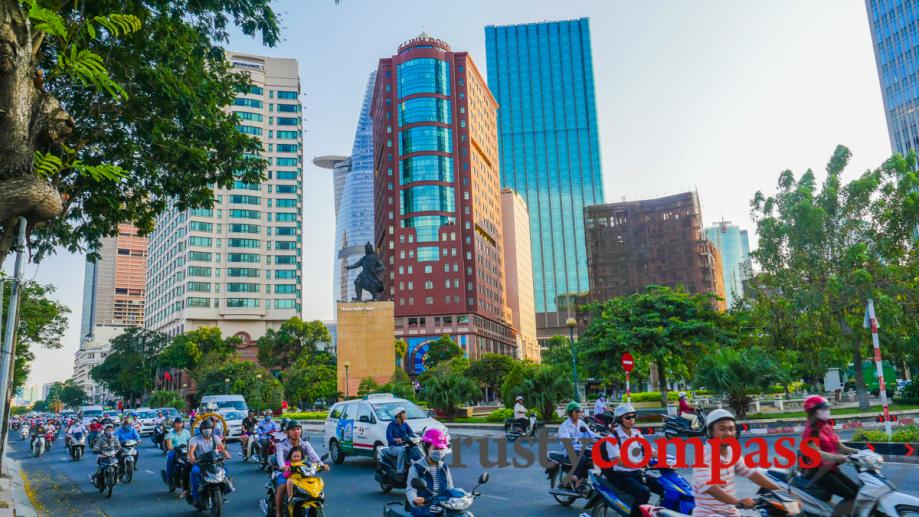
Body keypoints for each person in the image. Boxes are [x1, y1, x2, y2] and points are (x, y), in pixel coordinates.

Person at [692, 409, 782, 517]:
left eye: (731, 429)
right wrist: (738, 502)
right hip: (709, 513)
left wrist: (781, 491)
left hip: (731, 512)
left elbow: (751, 473)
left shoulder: (732, 452)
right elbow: (711, 488)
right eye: (722, 429)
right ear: (711, 432)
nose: (728, 433)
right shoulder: (703, 455)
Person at [798, 395, 859, 503]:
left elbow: (838, 446)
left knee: (858, 493)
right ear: (813, 411)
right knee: (851, 496)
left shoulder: (825, 426)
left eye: (828, 409)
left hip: (830, 468)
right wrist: (838, 457)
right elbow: (816, 453)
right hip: (817, 472)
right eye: (824, 409)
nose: (827, 411)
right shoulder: (811, 430)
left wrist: (857, 452)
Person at [602, 403, 658, 517]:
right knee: (643, 493)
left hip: (637, 472)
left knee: (664, 486)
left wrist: (667, 458)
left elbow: (649, 450)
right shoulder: (612, 437)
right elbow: (617, 460)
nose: (631, 420)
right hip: (621, 475)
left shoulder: (636, 434)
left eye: (633, 417)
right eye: (628, 417)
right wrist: (637, 463)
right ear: (619, 419)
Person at [273, 420, 326, 517]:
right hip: (285, 472)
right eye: (293, 429)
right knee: (283, 486)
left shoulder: (305, 444)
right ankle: (278, 512)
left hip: (302, 472)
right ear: (288, 432)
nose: (296, 431)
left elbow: (313, 456)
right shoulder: (281, 445)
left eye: (298, 429)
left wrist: (322, 465)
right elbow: (279, 458)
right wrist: (283, 467)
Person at [405, 429, 454, 517]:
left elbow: (450, 488)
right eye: (435, 448)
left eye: (441, 448)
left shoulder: (444, 467)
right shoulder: (416, 467)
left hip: (442, 505)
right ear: (427, 448)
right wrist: (415, 500)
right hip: (423, 507)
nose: (439, 451)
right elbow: (411, 490)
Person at [187, 420, 232, 505]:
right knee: (194, 472)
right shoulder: (195, 439)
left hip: (214, 462)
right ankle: (195, 496)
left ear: (212, 429)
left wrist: (226, 454)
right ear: (201, 430)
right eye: (205, 428)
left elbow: (221, 447)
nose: (207, 430)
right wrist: (192, 457)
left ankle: (222, 493)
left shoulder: (215, 438)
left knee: (225, 470)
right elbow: (191, 450)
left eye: (209, 428)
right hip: (201, 463)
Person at [557, 401, 601, 490]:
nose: (579, 414)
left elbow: (591, 434)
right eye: (576, 412)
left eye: (580, 411)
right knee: (583, 457)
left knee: (595, 454)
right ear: (570, 413)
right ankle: (576, 479)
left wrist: (603, 437)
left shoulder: (581, 423)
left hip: (580, 448)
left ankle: (585, 478)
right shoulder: (564, 426)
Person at [164, 417, 192, 498]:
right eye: (177, 423)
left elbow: (190, 442)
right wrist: (176, 448)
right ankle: (169, 478)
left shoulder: (186, 432)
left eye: (180, 423)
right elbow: (169, 446)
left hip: (185, 452)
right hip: (175, 451)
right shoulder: (171, 433)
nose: (179, 425)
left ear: (182, 424)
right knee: (170, 458)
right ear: (174, 424)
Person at [386, 406, 418, 473]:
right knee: (403, 451)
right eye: (403, 413)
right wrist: (396, 440)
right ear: (398, 415)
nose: (405, 414)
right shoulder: (391, 425)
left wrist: (418, 437)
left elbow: (411, 434)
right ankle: (399, 471)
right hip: (393, 447)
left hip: (404, 445)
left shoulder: (405, 424)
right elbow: (389, 438)